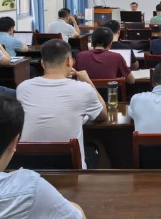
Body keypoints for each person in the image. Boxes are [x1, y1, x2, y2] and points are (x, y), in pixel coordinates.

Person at [16, 39, 106, 169]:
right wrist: (88, 82)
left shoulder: (23, 88)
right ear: (69, 61)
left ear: (42, 63)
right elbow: (102, 115)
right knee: (95, 146)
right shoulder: (83, 89)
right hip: (71, 169)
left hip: (30, 167)